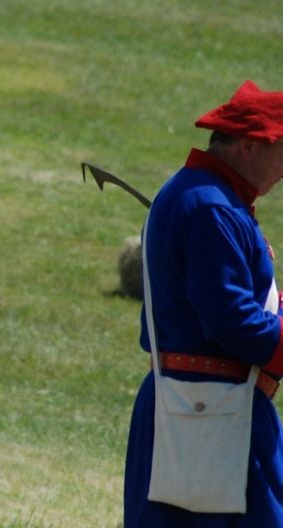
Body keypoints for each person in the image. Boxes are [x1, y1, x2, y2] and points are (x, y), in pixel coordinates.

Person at [123, 80, 283, 526]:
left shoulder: (209, 198)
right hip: (207, 414)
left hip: (207, 409)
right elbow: (235, 324)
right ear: (251, 147)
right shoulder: (211, 208)